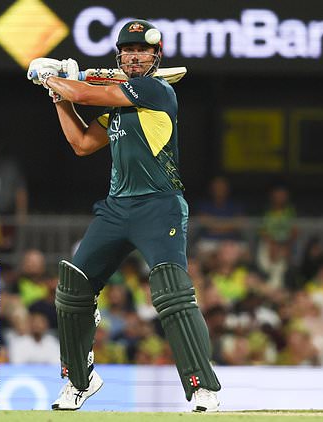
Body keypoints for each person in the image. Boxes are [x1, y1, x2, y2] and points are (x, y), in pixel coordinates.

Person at [28, 19, 221, 411]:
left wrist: (52, 78)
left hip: (158, 204)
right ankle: (79, 381)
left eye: (141, 51)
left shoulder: (156, 90)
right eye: (127, 51)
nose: (133, 57)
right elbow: (82, 143)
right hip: (117, 207)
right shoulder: (120, 104)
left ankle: (203, 388)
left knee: (172, 293)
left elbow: (86, 93)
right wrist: (60, 98)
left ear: (155, 56)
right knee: (73, 287)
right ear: (120, 56)